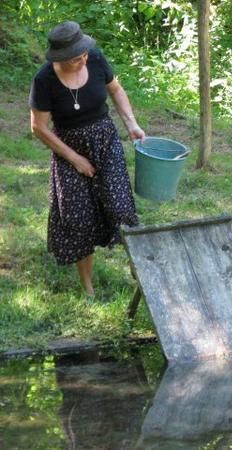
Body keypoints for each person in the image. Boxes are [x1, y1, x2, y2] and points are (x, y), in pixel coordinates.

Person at [29, 21, 145, 297]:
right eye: (75, 58)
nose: (83, 60)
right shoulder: (44, 80)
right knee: (79, 219)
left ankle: (140, 274)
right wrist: (74, 159)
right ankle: (88, 289)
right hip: (68, 148)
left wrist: (131, 123)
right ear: (59, 59)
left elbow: (115, 89)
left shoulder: (94, 58)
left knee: (121, 208)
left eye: (83, 54)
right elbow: (39, 128)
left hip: (104, 140)